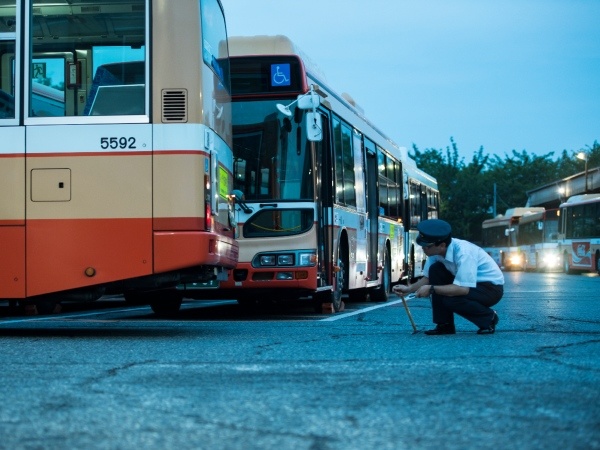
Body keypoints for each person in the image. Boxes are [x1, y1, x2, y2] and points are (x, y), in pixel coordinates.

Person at [393, 219, 504, 335]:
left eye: (427, 246)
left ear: (442, 245)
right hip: (468, 285)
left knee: (450, 299)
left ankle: (488, 318)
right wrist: (408, 289)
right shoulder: (434, 252)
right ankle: (444, 325)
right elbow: (427, 279)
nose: (423, 248)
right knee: (435, 270)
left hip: (490, 288)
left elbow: (462, 289)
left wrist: (431, 289)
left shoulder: (464, 253)